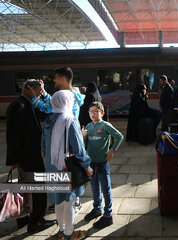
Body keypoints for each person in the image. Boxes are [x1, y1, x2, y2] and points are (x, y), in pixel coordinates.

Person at [23, 67, 85, 211]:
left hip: (63, 140)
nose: (54, 80)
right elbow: (54, 103)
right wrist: (44, 92)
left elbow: (47, 108)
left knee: (64, 171)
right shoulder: (72, 94)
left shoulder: (66, 96)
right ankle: (70, 200)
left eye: (56, 78)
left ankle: (69, 202)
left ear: (63, 78)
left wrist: (33, 97)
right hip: (67, 138)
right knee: (68, 170)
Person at [6, 79, 56, 232]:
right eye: (38, 91)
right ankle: (36, 221)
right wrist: (14, 160)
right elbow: (13, 135)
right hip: (27, 156)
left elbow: (48, 110)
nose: (40, 94)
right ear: (29, 88)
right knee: (39, 189)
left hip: (30, 155)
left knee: (26, 188)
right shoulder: (19, 106)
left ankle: (24, 219)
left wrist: (42, 95)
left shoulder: (27, 103)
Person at [42, 90, 92, 240]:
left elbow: (44, 147)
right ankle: (70, 234)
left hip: (51, 166)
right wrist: (86, 165)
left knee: (58, 201)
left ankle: (61, 231)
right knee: (69, 202)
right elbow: (78, 148)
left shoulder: (48, 121)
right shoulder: (70, 120)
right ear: (67, 102)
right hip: (66, 167)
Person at [82, 101, 123, 229]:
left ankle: (108, 215)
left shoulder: (105, 125)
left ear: (102, 113)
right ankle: (97, 209)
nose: (93, 114)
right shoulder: (88, 126)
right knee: (94, 187)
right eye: (91, 112)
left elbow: (119, 136)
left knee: (105, 188)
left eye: (96, 111)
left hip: (102, 163)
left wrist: (112, 151)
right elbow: (85, 144)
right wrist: (83, 136)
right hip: (91, 163)